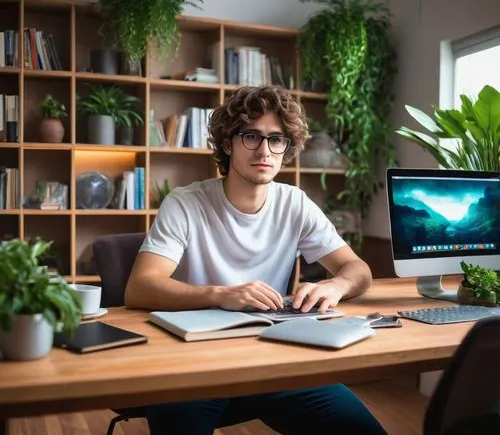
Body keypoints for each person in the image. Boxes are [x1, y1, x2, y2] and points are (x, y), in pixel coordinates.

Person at [125, 85, 386, 434]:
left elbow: (359, 271)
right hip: (192, 361)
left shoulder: (295, 203)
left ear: (286, 148)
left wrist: (335, 285)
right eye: (251, 136)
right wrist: (222, 294)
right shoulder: (185, 203)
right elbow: (140, 288)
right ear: (227, 143)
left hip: (273, 356)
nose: (264, 150)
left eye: (276, 139)